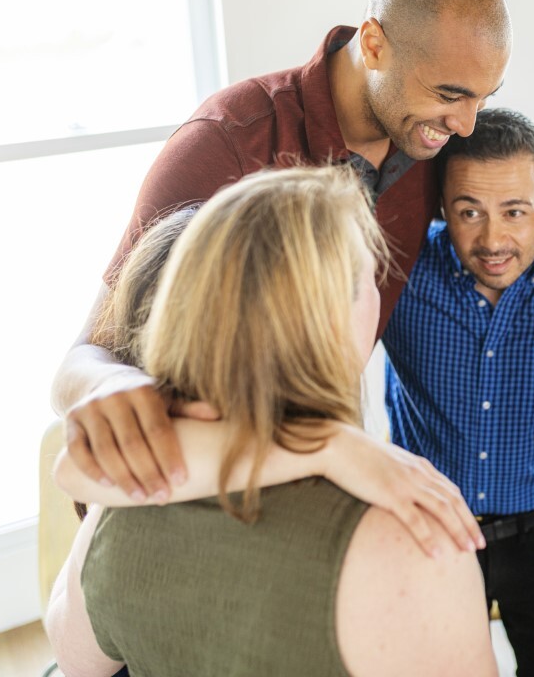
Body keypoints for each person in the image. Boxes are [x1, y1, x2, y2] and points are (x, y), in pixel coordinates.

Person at [49, 0, 512, 544]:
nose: (466, 124)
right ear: (373, 44)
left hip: (307, 491)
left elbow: (510, 200)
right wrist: (111, 385)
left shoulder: (432, 145)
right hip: (178, 501)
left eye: (484, 97)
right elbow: (79, 362)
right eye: (450, 94)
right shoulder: (226, 143)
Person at [46, 166, 497, 677]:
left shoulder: (124, 494)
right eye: (369, 276)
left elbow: (75, 658)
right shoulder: (416, 537)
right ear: (329, 320)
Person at [376, 106, 534, 677]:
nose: (494, 239)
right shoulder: (398, 269)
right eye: (470, 211)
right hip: (430, 533)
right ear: (443, 206)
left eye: (516, 211)